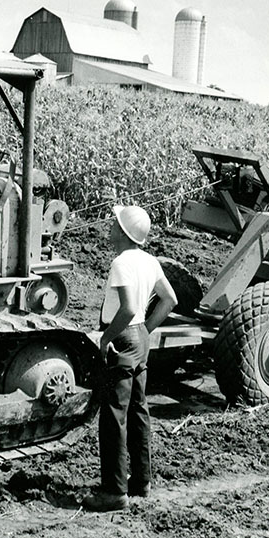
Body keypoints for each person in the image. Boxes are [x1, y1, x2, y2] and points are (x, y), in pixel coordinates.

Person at [83, 204, 177, 512]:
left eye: (114, 224)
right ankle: (141, 482)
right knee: (138, 410)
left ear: (124, 232)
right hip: (139, 338)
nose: (110, 228)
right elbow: (169, 299)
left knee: (113, 416)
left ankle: (114, 492)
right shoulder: (150, 261)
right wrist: (146, 330)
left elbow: (125, 309)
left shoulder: (121, 262)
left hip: (121, 338)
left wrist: (106, 338)